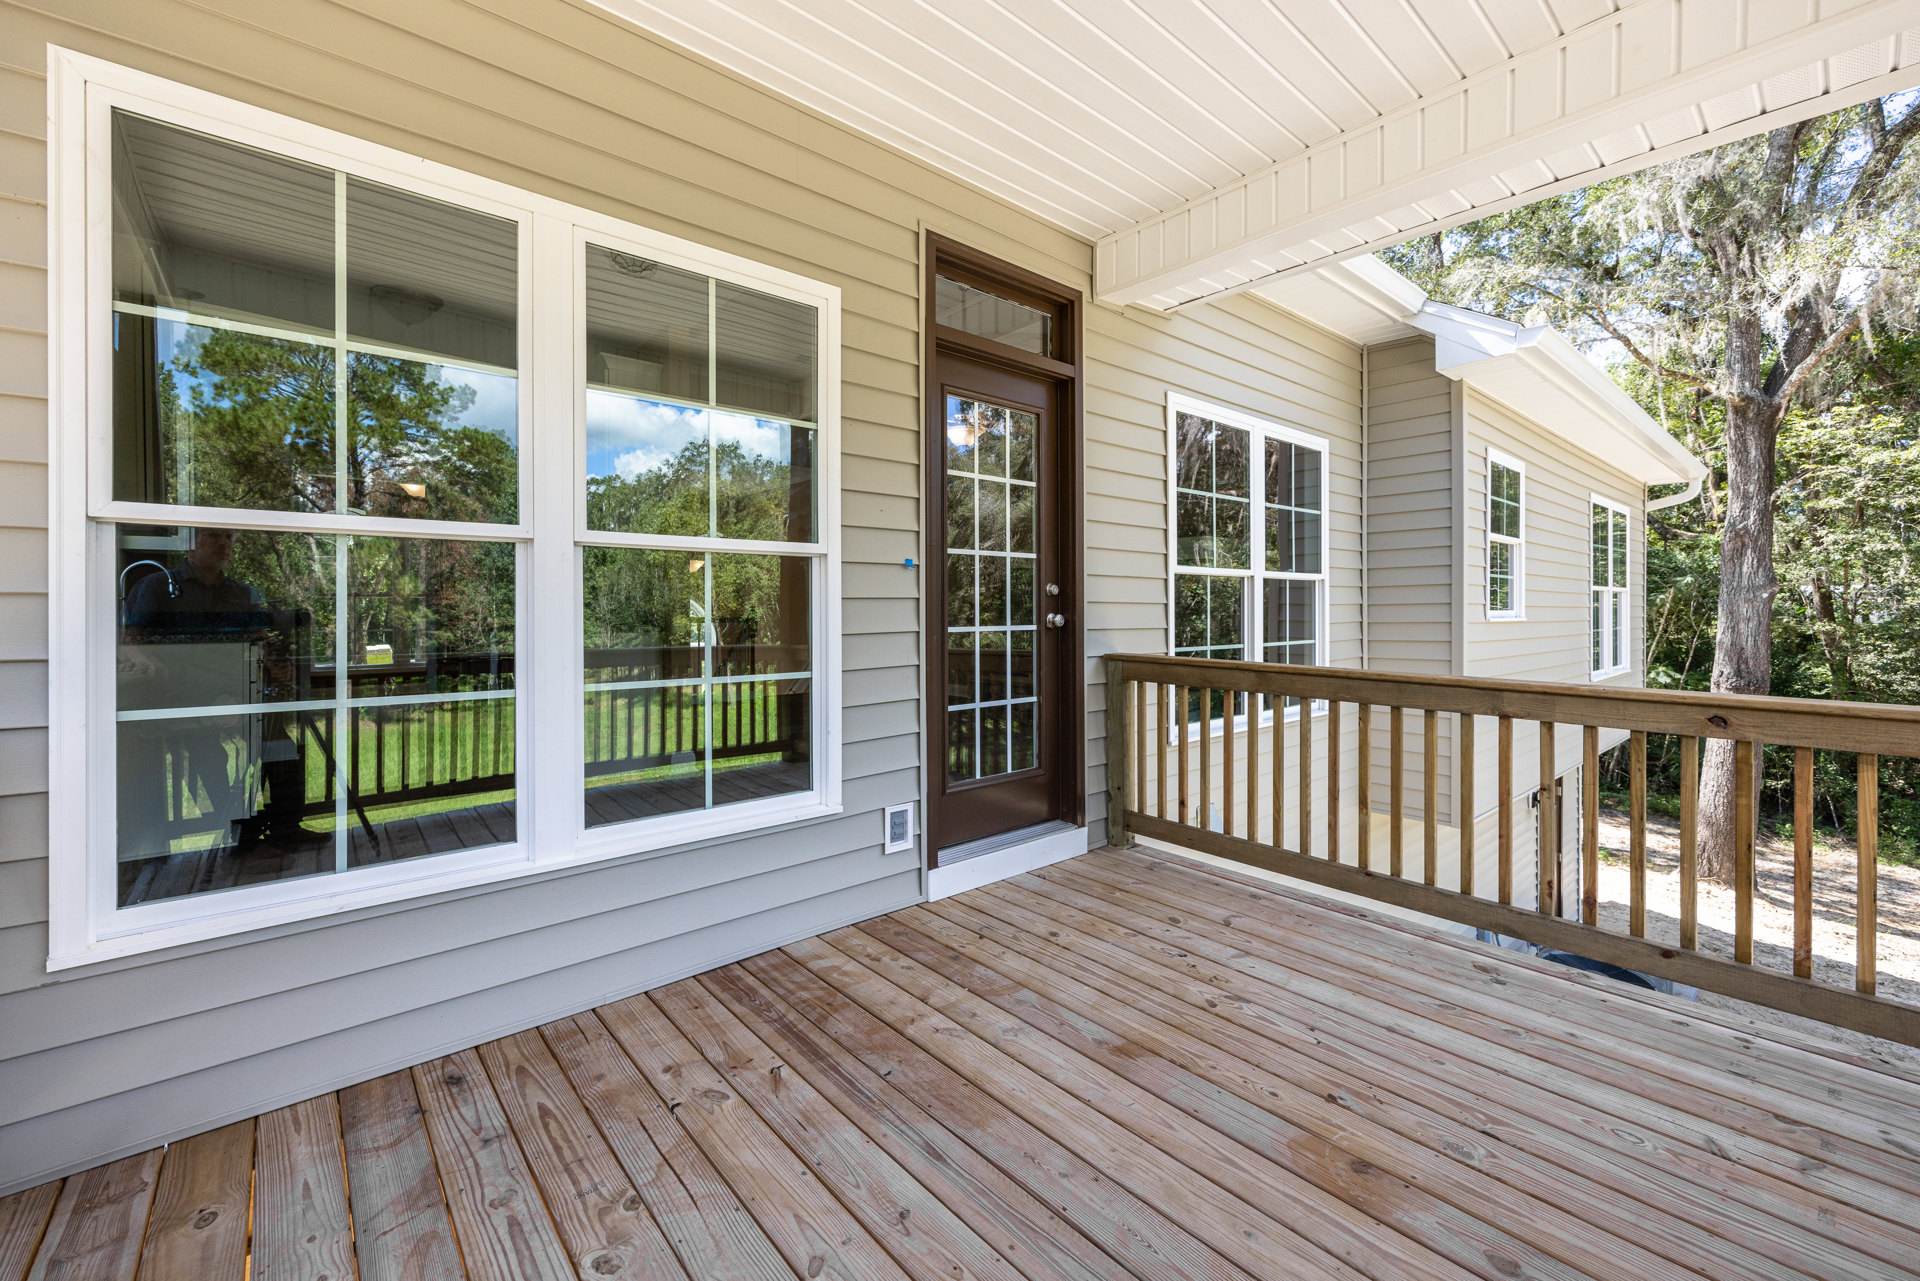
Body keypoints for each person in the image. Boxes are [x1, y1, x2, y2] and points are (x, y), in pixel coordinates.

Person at [119, 528, 306, 866]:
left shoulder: (240, 593)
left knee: (281, 746)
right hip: (181, 699)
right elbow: (130, 639)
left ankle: (286, 829)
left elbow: (258, 634)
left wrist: (276, 658)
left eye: (229, 537)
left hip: (236, 692)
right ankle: (243, 844)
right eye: (214, 536)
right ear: (189, 545)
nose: (224, 544)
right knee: (211, 757)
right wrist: (145, 661)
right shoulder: (158, 587)